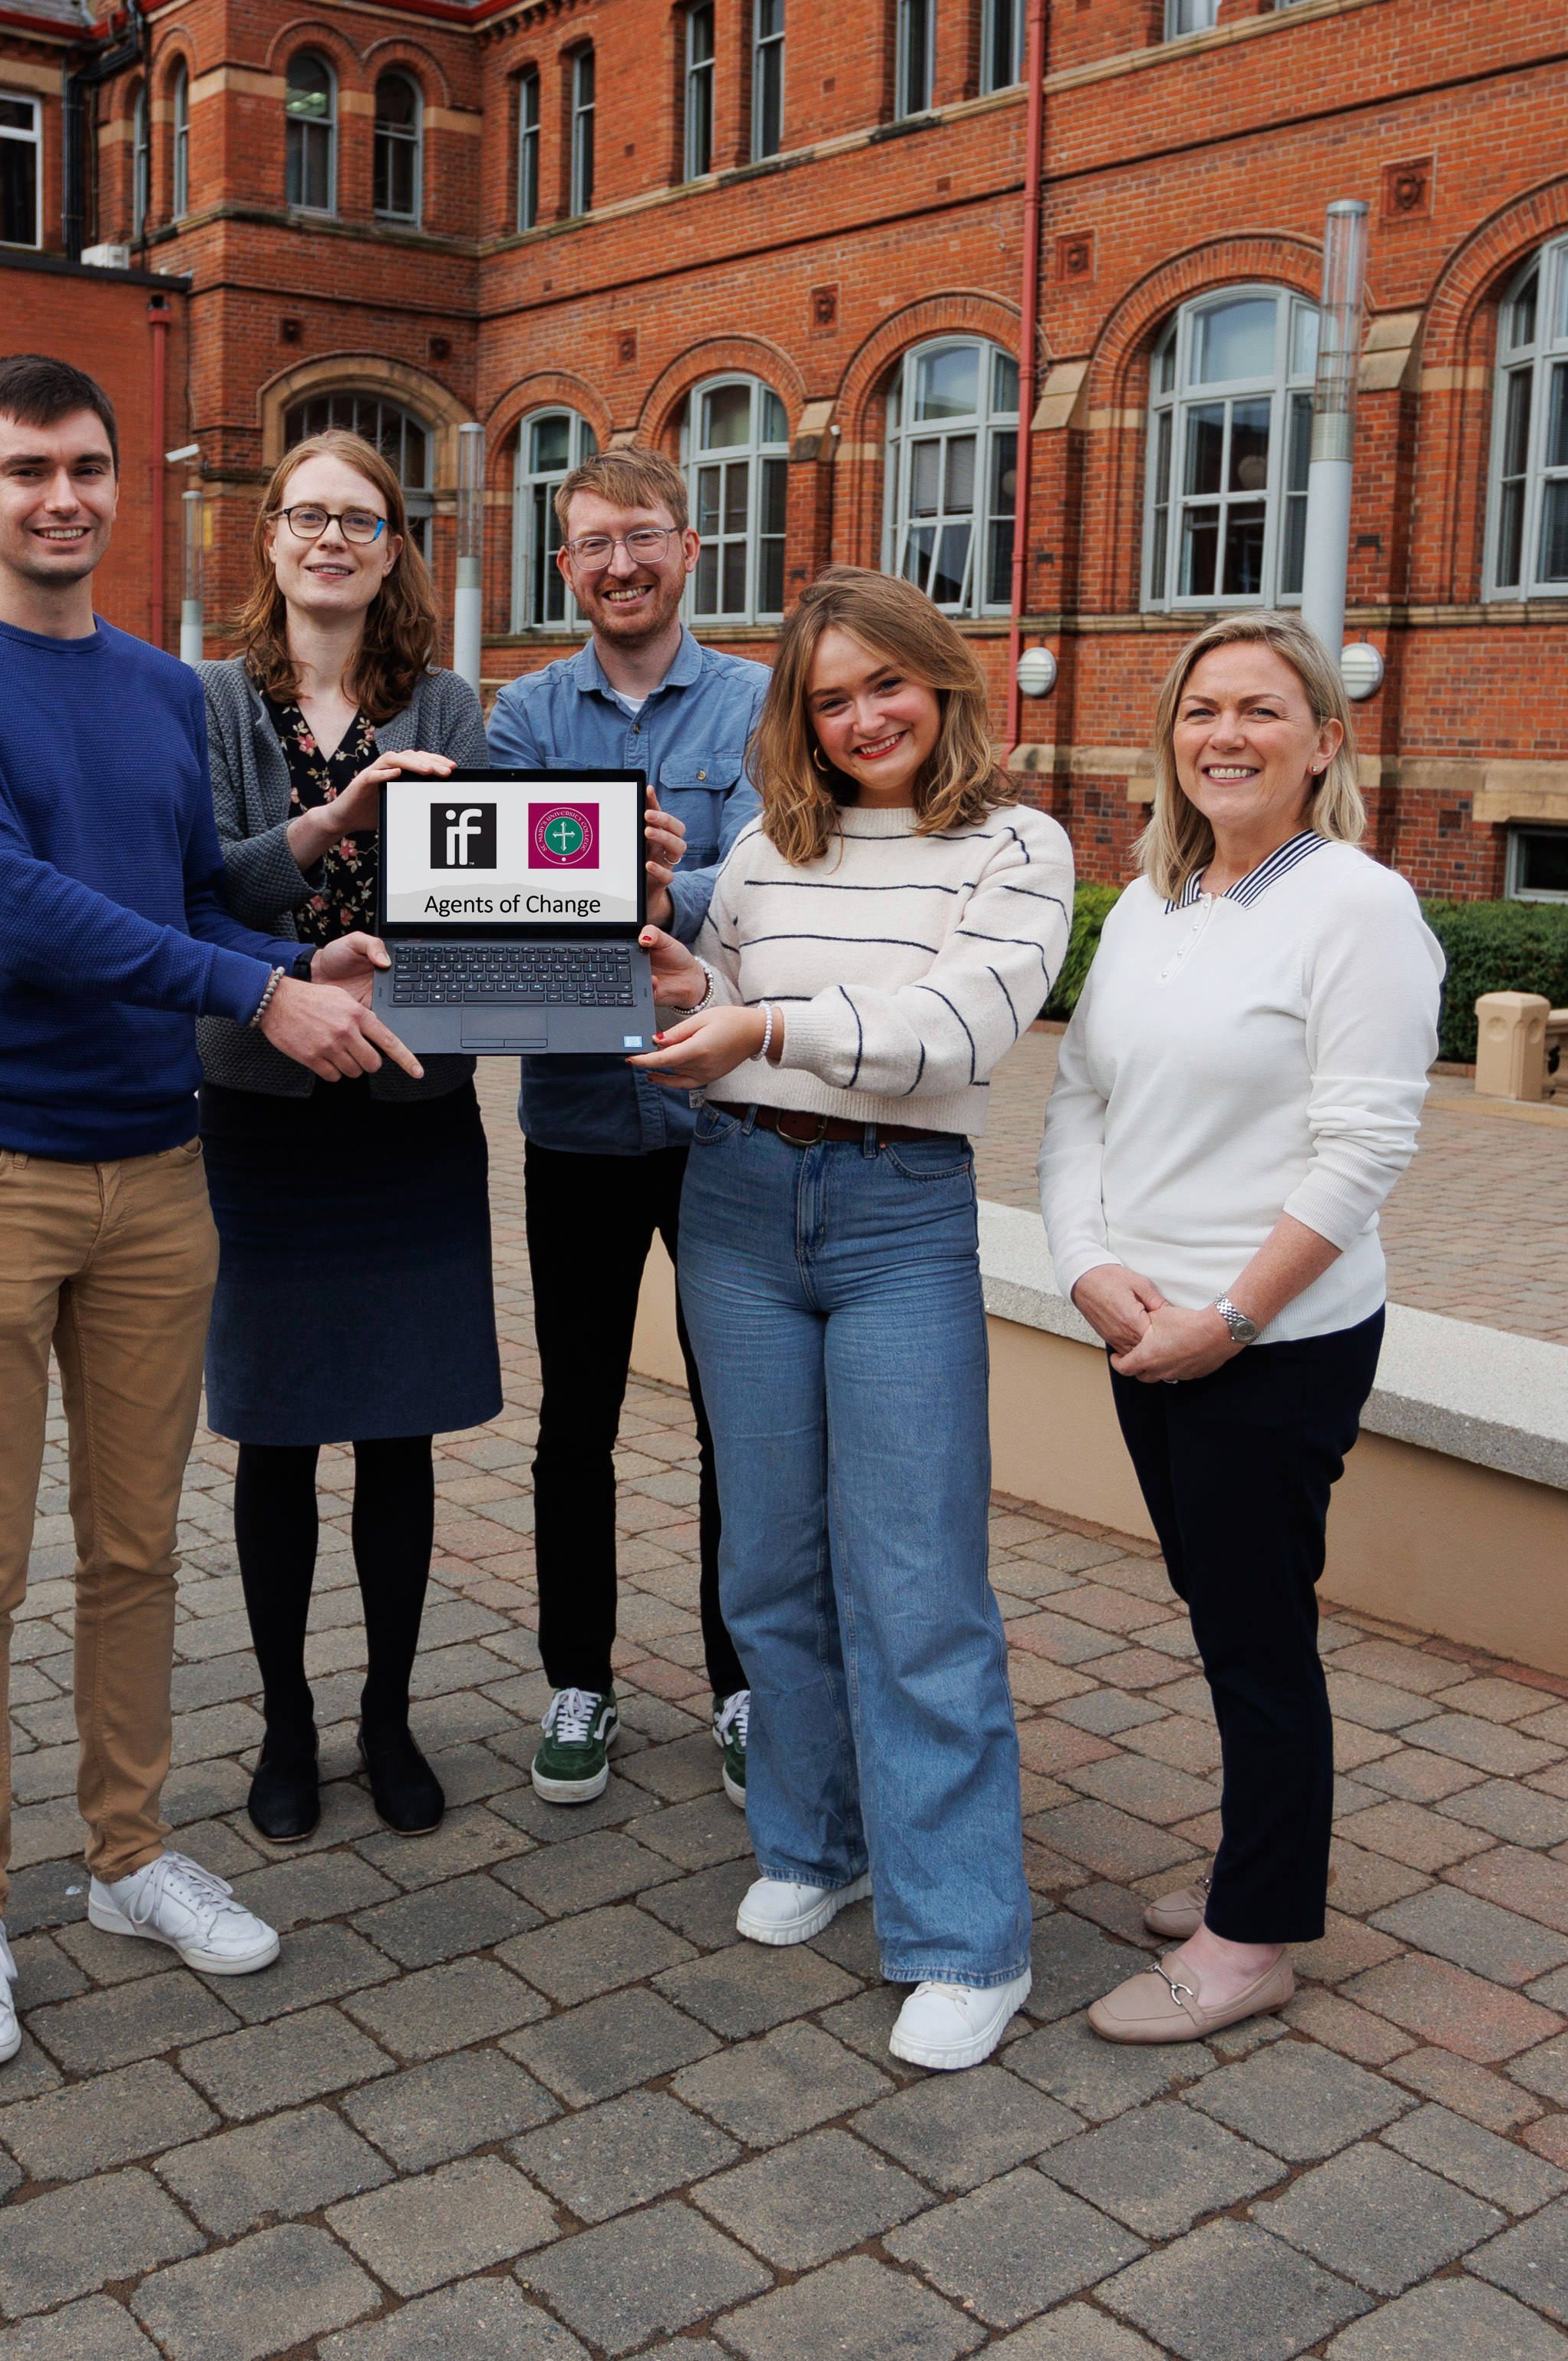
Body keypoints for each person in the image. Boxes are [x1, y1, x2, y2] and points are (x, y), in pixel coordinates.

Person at [0, 355, 419, 2073]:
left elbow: (173, 891)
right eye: (28, 469)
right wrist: (257, 997)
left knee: (134, 1543)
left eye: (89, 468)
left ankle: (126, 1852)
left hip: (156, 1173)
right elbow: (17, 911)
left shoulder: (170, 693)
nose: (64, 498)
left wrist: (301, 873)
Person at [632, 566, 1071, 2072]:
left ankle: (964, 1934)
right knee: (769, 1556)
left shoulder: (1018, 842)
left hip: (896, 1216)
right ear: (800, 719)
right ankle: (816, 1840)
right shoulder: (769, 843)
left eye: (889, 681)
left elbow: (960, 1031)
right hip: (739, 1203)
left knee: (917, 1577)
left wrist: (756, 1028)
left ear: (943, 682)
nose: (865, 714)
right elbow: (724, 993)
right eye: (831, 696)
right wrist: (680, 982)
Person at [1041, 611, 1444, 2045]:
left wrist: (1227, 1318)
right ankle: (1254, 1863)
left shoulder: (1359, 908)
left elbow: (1361, 1150)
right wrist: (1088, 1267)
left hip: (1270, 1341)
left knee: (1260, 1634)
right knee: (1226, 1615)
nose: (1226, 734)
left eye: (1263, 711)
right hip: (1144, 1326)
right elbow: (1079, 1097)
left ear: (1324, 741)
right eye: (1202, 710)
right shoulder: (1155, 901)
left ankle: (1258, 1930)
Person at [194, 428, 497, 1845]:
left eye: (360, 521)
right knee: (276, 1435)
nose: (331, 540)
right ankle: (286, 1722)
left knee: (399, 1430)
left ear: (393, 550)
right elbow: (199, 894)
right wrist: (339, 821)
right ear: (269, 537)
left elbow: (485, 912)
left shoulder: (447, 697)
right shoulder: (201, 704)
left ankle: (386, 1713)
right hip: (263, 1116)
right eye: (307, 516)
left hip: (409, 1111)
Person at [485, 444, 767, 1808]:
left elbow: (785, 894)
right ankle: (577, 1678)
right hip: (583, 1123)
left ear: (688, 547)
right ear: (565, 566)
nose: (619, 565)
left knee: (740, 1417)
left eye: (641, 537)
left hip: (727, 1125)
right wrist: (624, 888)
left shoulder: (764, 706)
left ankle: (743, 1684)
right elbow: (499, 929)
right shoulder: (525, 718)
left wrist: (671, 877)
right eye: (592, 544)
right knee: (575, 1419)